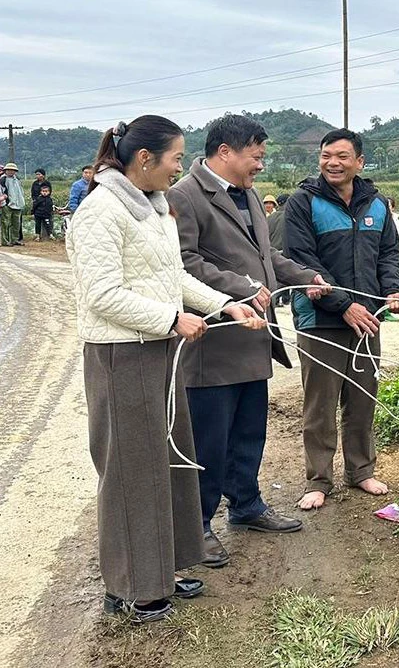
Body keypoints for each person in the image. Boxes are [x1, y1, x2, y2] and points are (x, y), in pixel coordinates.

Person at [66, 115, 262, 623]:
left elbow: (172, 275)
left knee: (168, 462)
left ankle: (163, 570)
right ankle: (130, 588)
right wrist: (171, 319)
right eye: (176, 159)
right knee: (131, 471)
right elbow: (102, 294)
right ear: (145, 159)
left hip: (156, 349)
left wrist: (224, 305)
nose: (180, 168)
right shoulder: (100, 212)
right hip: (120, 354)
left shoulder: (154, 209)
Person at [168, 114, 329, 568]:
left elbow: (266, 256)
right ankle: (197, 526)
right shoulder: (184, 196)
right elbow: (184, 264)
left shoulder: (251, 195)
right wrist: (239, 287)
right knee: (208, 439)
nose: (261, 165)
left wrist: (304, 277)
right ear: (225, 152)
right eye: (256, 156)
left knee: (248, 432)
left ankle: (246, 505)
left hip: (255, 339)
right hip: (215, 342)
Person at [283, 128, 399, 511]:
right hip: (320, 321)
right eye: (326, 156)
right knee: (320, 405)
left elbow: (388, 255)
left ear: (359, 162)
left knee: (363, 400)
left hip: (367, 321)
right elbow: (304, 261)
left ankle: (361, 471)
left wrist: (393, 291)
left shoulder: (376, 205)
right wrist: (343, 306)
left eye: (341, 156)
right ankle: (318, 480)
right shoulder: (303, 203)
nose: (332, 163)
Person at [0, 162, 25, 246]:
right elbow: (1, 192)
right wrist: (3, 202)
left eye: (13, 170)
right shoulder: (3, 179)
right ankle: (5, 241)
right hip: (7, 204)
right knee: (5, 223)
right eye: (9, 170)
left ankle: (15, 239)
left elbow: (20, 191)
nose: (11, 171)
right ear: (5, 170)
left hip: (18, 204)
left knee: (16, 223)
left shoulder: (17, 179)